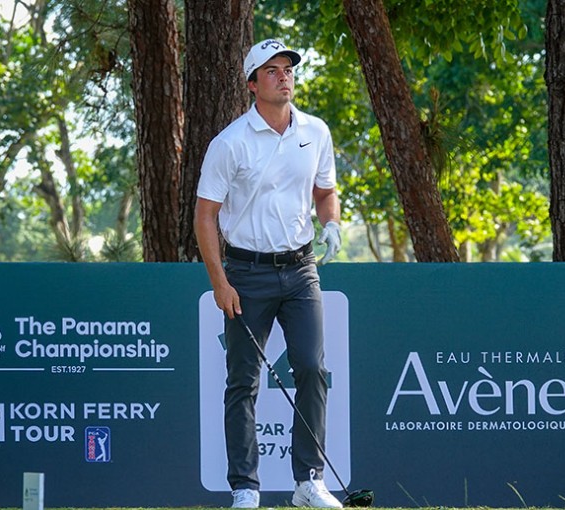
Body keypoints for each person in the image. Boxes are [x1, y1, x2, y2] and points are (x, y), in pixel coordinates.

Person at [195, 38, 343, 509]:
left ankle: (308, 482)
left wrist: (332, 223)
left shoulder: (315, 131)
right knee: (243, 381)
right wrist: (219, 282)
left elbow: (325, 191)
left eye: (288, 69)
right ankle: (245, 487)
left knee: (313, 370)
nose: (284, 77)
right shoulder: (229, 143)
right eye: (273, 71)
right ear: (252, 84)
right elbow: (205, 216)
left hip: (301, 270)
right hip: (246, 272)